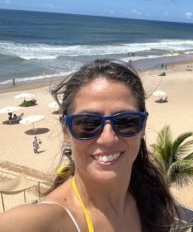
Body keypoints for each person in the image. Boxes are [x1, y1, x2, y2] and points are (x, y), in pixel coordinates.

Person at [0, 59, 178, 231]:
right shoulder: (49, 221)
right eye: (87, 123)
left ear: (142, 127)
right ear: (66, 132)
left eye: (126, 121)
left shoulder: (151, 200)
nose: (108, 138)